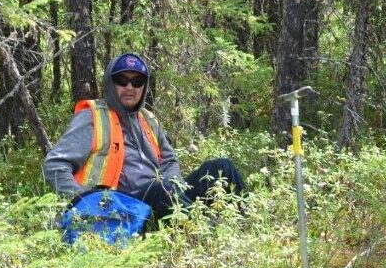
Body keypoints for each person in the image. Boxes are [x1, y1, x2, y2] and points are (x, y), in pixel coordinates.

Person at [43, 53, 246, 220]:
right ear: (110, 83)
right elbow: (54, 164)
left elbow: (169, 160)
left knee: (222, 167)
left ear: (144, 86)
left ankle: (242, 221)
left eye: (137, 81)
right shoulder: (92, 117)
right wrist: (83, 198)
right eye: (122, 80)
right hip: (122, 206)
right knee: (161, 189)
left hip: (162, 196)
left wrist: (173, 187)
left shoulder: (147, 119)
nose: (130, 87)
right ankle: (202, 230)